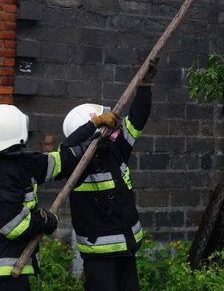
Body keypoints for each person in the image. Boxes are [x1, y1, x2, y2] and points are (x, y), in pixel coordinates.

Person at [0, 102, 119, 291]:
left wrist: (93, 126)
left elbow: (63, 158)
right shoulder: (0, 177)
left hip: (14, 269)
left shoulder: (23, 164)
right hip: (4, 274)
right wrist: (43, 220)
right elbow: (12, 226)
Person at [62, 58, 158, 291]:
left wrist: (144, 86)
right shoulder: (77, 164)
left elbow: (137, 119)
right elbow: (64, 149)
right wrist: (93, 124)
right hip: (99, 257)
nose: (110, 127)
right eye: (102, 125)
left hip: (126, 248)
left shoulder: (116, 150)